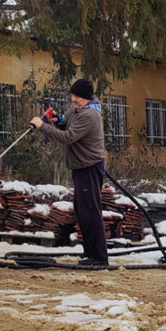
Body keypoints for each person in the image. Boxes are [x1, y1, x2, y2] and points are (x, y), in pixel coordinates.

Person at [30, 78, 108, 266]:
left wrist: (42, 126)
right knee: (83, 212)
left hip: (90, 167)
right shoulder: (77, 110)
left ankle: (98, 257)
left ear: (87, 98)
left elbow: (68, 137)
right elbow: (68, 124)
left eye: (77, 96)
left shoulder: (89, 115)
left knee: (91, 212)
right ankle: (89, 253)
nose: (73, 99)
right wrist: (60, 120)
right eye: (72, 95)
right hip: (80, 168)